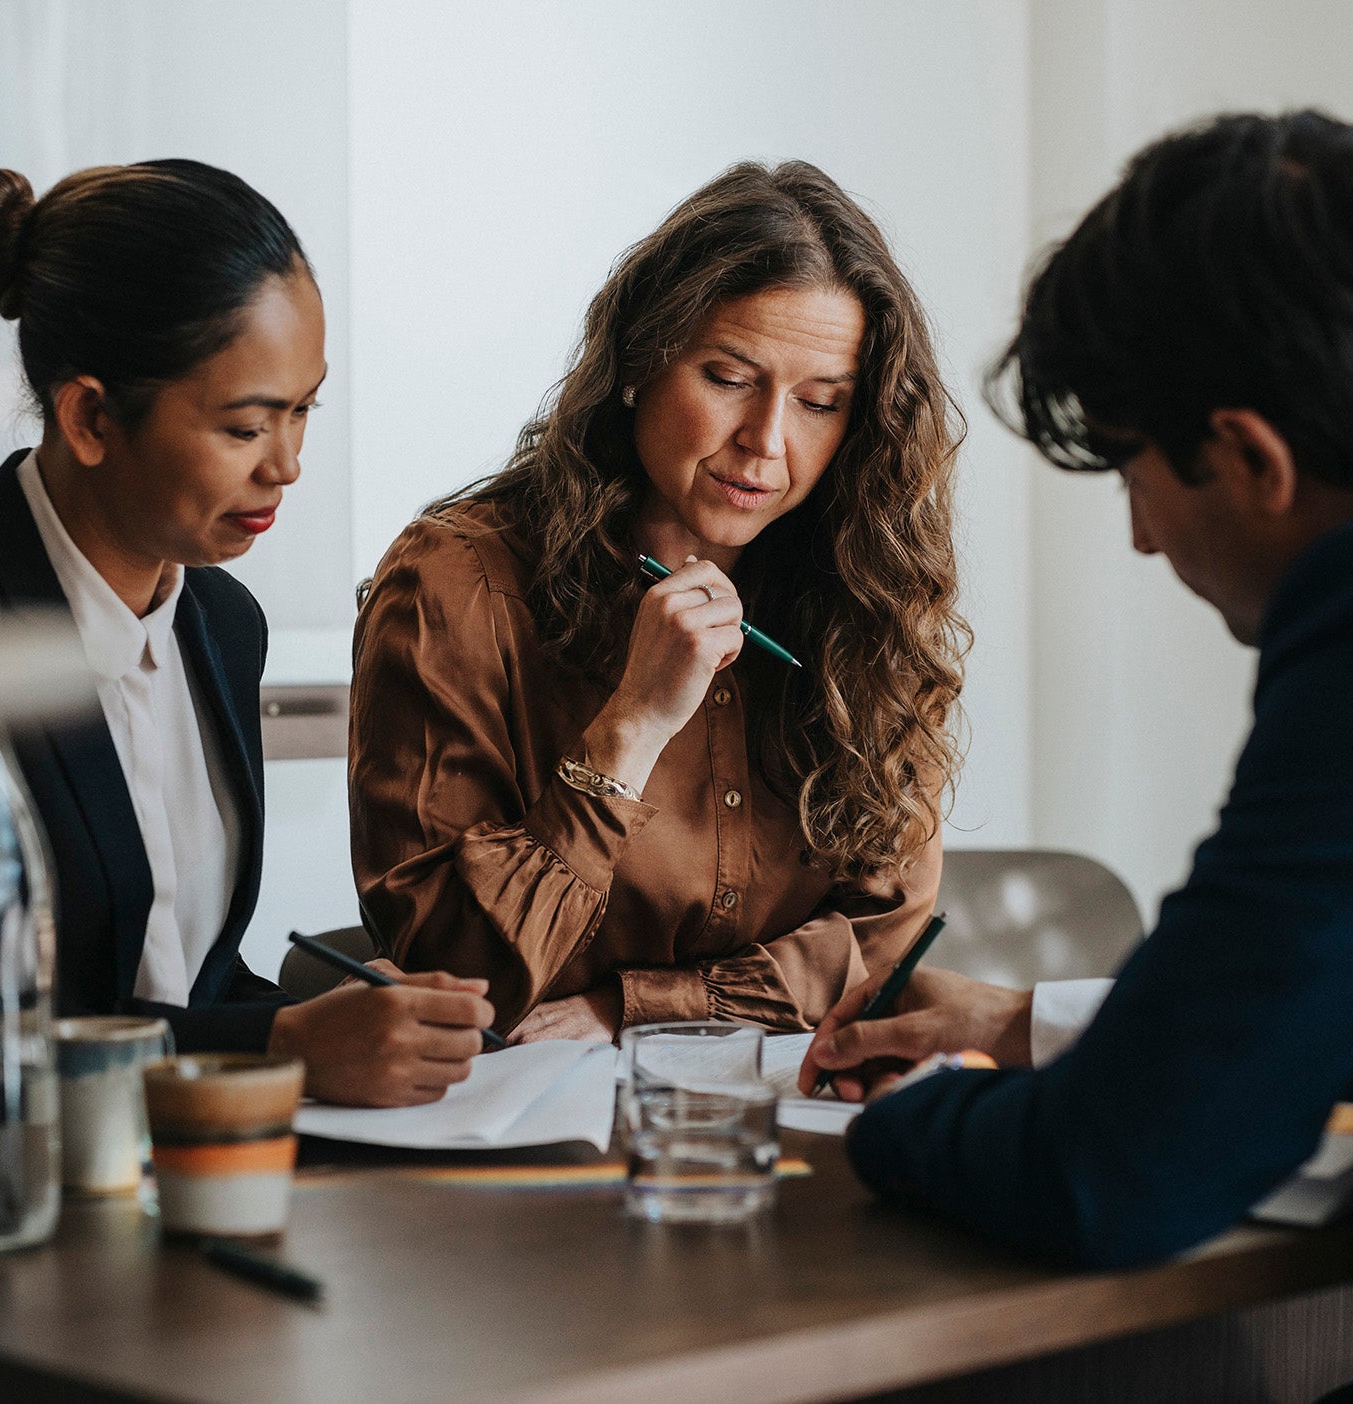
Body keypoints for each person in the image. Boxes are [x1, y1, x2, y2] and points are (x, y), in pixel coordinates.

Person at [804, 109, 1353, 1309]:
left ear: (1251, 459)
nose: (1145, 537)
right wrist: (1040, 1025)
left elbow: (1120, 1171)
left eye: (1134, 477)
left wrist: (905, 1119)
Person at [0, 160, 492, 1107]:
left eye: (304, 409)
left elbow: (189, 989)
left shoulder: (223, 624)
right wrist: (283, 1044)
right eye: (247, 427)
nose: (290, 465)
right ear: (92, 416)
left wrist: (374, 1032)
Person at [349, 161, 967, 1042]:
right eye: (727, 378)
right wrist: (631, 726)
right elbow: (449, 969)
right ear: (640, 361)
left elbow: (884, 933)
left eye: (821, 403)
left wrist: (630, 1011)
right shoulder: (457, 585)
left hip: (779, 1106)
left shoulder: (865, 593)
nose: (767, 442)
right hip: (518, 1118)